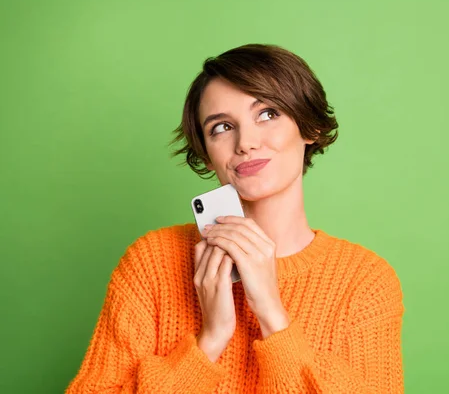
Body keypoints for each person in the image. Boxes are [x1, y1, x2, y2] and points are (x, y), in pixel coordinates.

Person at [65, 44, 404, 393]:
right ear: (207, 155)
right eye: (222, 127)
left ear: (310, 127)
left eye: (268, 114)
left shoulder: (364, 282)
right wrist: (210, 339)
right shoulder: (151, 262)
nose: (246, 143)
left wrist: (272, 314)